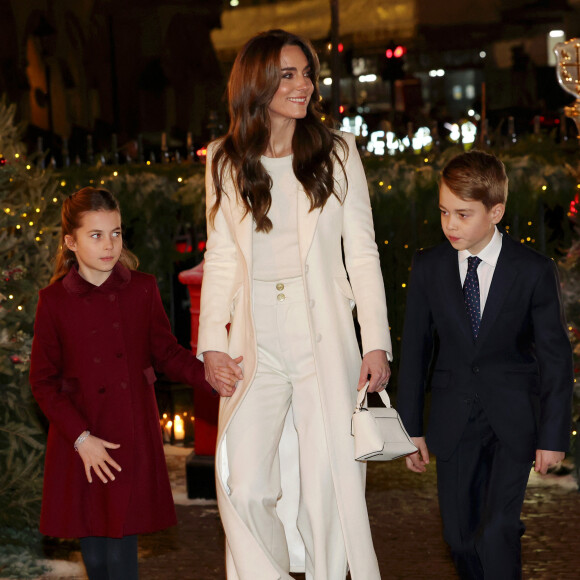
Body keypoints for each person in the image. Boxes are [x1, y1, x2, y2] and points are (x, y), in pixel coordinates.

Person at [197, 29, 392, 580]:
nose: (304, 84)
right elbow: (221, 259)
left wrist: (375, 340)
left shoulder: (338, 152)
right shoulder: (223, 161)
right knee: (246, 482)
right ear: (257, 84)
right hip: (255, 339)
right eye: (289, 74)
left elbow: (363, 252)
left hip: (323, 332)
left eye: (307, 73)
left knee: (328, 479)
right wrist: (211, 344)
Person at [397, 150, 574, 579]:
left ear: (496, 211)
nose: (450, 225)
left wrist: (553, 436)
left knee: (497, 532)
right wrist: (409, 429)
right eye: (444, 212)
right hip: (454, 422)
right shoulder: (429, 267)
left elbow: (555, 358)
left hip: (514, 422)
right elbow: (415, 351)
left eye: (463, 214)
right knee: (460, 538)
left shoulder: (533, 270)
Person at [29, 187, 207, 580]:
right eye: (96, 235)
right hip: (82, 441)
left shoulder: (141, 289)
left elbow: (167, 353)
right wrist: (80, 437)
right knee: (96, 558)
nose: (109, 244)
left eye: (116, 232)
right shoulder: (53, 301)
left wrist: (209, 374)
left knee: (122, 559)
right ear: (70, 242)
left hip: (128, 435)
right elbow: (43, 382)